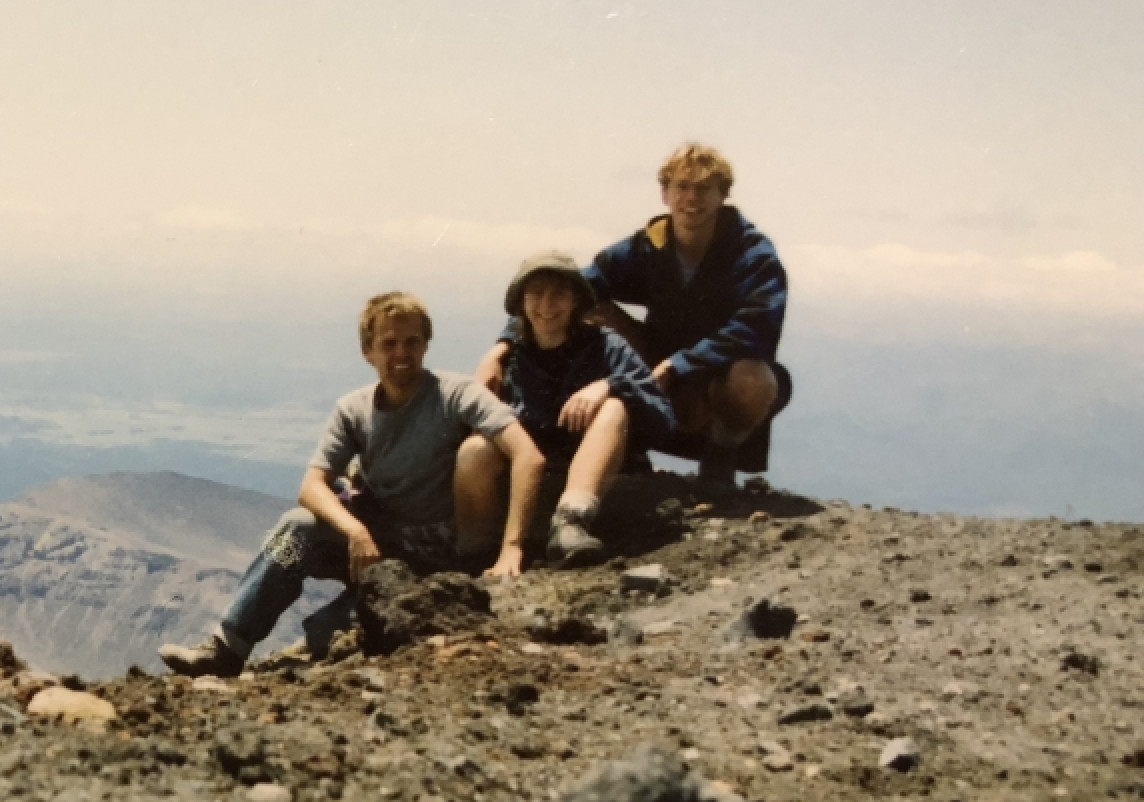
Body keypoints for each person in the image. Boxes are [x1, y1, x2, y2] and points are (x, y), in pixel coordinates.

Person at [157, 291, 544, 678]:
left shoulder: (456, 394)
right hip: (376, 544)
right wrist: (355, 531)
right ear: (368, 351)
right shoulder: (354, 409)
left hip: (438, 556)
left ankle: (330, 628)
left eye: (412, 342)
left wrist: (512, 548)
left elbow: (528, 455)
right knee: (297, 528)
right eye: (388, 344)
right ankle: (228, 647)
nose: (401, 354)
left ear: (427, 344)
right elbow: (311, 486)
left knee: (328, 639)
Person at [479, 142, 791, 494]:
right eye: (681, 186)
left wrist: (680, 365)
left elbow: (758, 326)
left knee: (755, 378)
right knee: (594, 311)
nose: (692, 198)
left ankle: (719, 457)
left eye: (704, 188)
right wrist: (504, 345)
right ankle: (602, 441)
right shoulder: (649, 246)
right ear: (665, 193)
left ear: (723, 195)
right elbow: (572, 290)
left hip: (712, 376)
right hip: (650, 366)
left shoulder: (751, 253)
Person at [460, 252, 675, 567]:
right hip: (531, 469)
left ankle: (571, 521)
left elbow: (663, 417)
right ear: (521, 303)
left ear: (576, 301)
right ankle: (477, 554)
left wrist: (610, 386)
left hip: (599, 466)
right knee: (475, 449)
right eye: (536, 293)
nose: (547, 305)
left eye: (559, 293)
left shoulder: (606, 346)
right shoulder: (509, 360)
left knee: (614, 408)